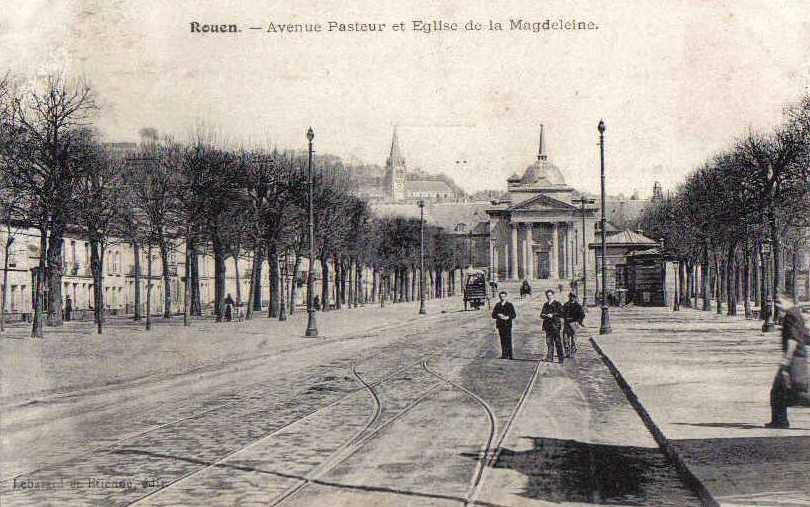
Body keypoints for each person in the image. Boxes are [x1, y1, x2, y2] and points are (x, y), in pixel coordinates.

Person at [766, 294, 810, 428]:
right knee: (779, 390)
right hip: (798, 358)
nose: (777, 305)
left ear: (788, 300)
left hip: (794, 359)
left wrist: (786, 360)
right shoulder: (796, 313)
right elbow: (805, 335)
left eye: (779, 302)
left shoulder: (791, 315)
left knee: (797, 392)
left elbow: (792, 339)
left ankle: (780, 421)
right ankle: (779, 420)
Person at [541, 289, 564, 363]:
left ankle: (561, 359)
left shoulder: (557, 303)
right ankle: (550, 358)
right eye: (547, 296)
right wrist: (544, 315)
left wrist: (553, 315)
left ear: (553, 295)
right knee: (549, 342)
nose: (549, 297)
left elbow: (561, 313)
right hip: (547, 326)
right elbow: (541, 314)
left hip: (555, 325)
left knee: (557, 342)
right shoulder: (545, 304)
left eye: (550, 295)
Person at [491, 291, 516, 360]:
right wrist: (498, 315)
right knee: (502, 340)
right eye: (501, 297)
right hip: (500, 325)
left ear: (506, 297)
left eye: (503, 297)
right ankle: (504, 354)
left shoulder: (509, 305)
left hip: (507, 325)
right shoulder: (497, 305)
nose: (502, 298)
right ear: (499, 297)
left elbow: (514, 315)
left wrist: (507, 317)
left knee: (508, 339)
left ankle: (510, 355)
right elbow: (493, 315)